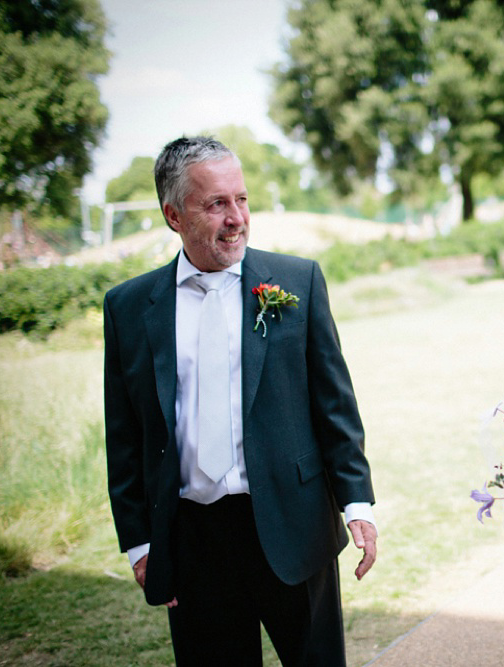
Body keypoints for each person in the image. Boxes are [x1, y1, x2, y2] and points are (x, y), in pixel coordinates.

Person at [103, 136, 377, 666]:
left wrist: (357, 503)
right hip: (191, 542)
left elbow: (335, 408)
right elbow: (126, 436)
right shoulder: (129, 308)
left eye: (242, 200)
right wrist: (139, 544)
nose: (237, 218)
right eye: (216, 204)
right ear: (173, 215)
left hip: (293, 525)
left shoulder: (298, 282)